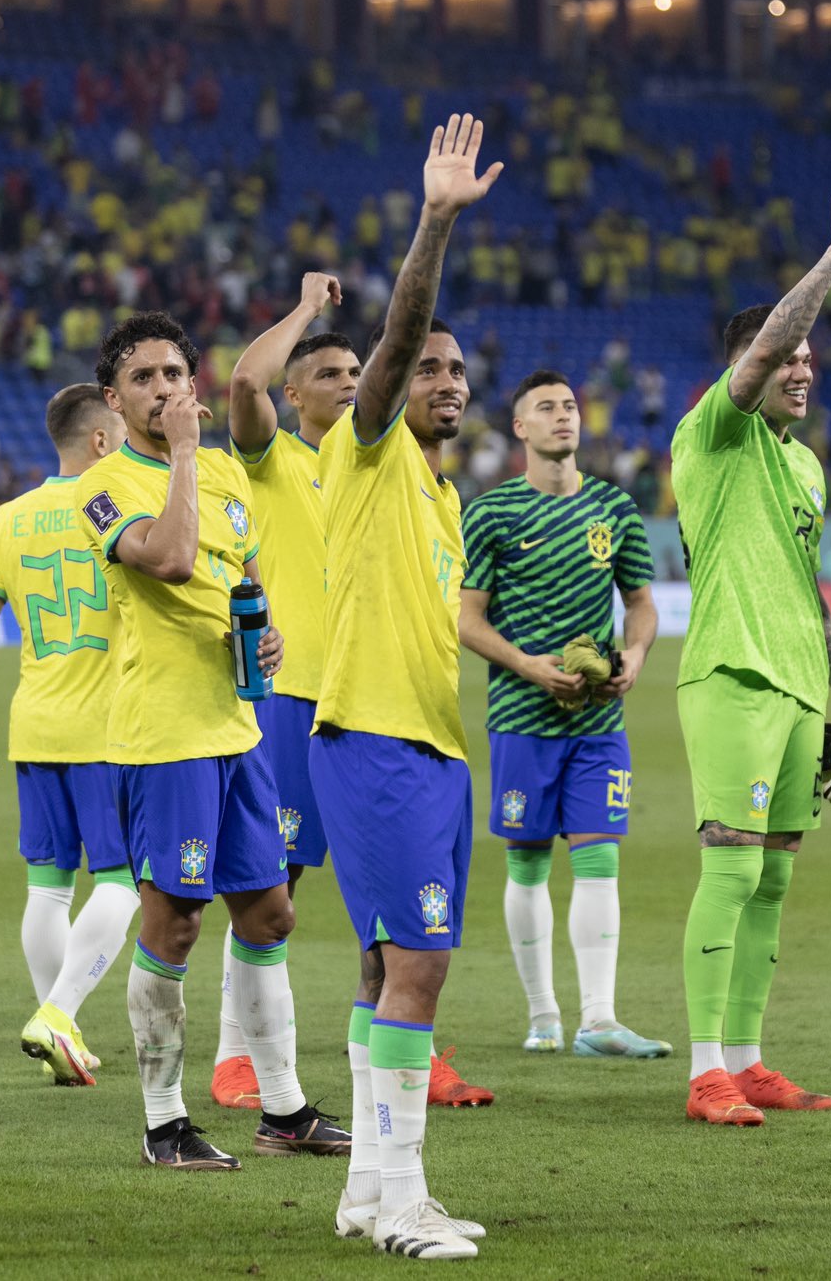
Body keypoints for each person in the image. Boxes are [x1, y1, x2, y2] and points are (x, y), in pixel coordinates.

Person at [76, 311, 348, 1169]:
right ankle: (163, 1124)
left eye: (173, 374)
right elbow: (170, 559)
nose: (163, 390)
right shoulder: (104, 485)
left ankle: (283, 1110)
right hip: (164, 737)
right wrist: (187, 455)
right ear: (114, 400)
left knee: (270, 911)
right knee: (177, 923)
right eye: (143, 379)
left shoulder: (230, 474)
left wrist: (267, 635)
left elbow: (244, 578)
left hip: (239, 730)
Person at [308, 114, 498, 1258]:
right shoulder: (365, 448)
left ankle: (365, 1187)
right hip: (374, 737)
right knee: (419, 966)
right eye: (427, 366)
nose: (444, 379)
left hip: (429, 744)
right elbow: (393, 334)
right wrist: (433, 220)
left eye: (456, 369)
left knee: (385, 964)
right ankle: (402, 1199)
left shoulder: (443, 497)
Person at [673, 173, 831, 1128]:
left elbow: (806, 584)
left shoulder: (806, 466)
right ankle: (705, 1070)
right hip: (733, 673)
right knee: (730, 865)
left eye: (810, 359)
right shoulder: (714, 434)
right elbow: (759, 355)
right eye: (789, 357)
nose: (804, 368)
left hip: (799, 686)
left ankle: (750, 1059)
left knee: (775, 874)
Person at [459, 370, 665, 1059]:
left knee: (600, 858)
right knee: (527, 865)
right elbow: (466, 617)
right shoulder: (491, 512)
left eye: (570, 406)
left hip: (598, 724)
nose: (563, 416)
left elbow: (641, 602)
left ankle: (598, 1020)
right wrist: (527, 665)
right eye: (545, 408)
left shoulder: (615, 508)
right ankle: (542, 1012)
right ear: (520, 427)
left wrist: (635, 653)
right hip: (522, 717)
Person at [0, 384, 139, 1086]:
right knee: (123, 881)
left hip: (35, 723)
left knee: (49, 887)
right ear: (100, 439)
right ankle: (59, 1015)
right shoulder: (115, 507)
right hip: (109, 727)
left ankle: (61, 1036)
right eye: (122, 430)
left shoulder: (9, 518)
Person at [211, 269, 357, 1111]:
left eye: (355, 372)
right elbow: (241, 383)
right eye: (328, 374)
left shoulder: (376, 469)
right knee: (274, 884)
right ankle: (235, 1056)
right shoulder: (272, 461)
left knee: (388, 884)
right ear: (294, 394)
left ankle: (410, 1045)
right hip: (292, 696)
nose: (348, 383)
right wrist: (305, 311)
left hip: (370, 700)